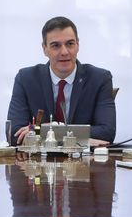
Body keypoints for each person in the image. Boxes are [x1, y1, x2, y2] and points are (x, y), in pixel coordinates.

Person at [7, 16, 116, 147]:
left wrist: (45, 130)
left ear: (78, 45)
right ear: (44, 49)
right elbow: (14, 134)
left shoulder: (99, 79)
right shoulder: (26, 79)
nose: (64, 52)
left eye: (70, 44)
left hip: (84, 164)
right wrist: (76, 136)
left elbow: (107, 133)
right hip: (38, 165)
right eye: (55, 46)